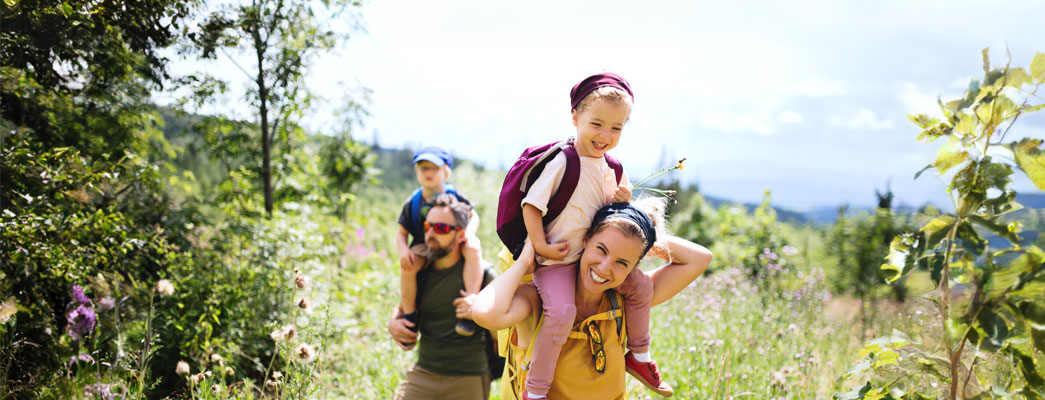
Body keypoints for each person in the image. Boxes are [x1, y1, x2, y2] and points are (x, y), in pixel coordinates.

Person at [514, 72, 667, 398]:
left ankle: (639, 356)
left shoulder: (613, 167)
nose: (605, 135)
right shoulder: (563, 161)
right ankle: (536, 390)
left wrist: (622, 200)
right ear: (575, 117)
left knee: (640, 286)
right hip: (557, 262)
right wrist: (540, 246)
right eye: (596, 124)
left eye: (616, 128)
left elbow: (609, 217)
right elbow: (531, 205)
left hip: (592, 257)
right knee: (561, 314)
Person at [473, 199, 712, 399]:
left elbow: (700, 258)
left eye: (622, 262)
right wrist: (525, 261)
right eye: (602, 249)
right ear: (584, 240)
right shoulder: (539, 300)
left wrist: (639, 233)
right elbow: (485, 313)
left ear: (633, 267)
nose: (605, 268)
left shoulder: (626, 300)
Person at [388, 194, 493, 400]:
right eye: (428, 226)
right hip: (424, 372)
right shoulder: (419, 271)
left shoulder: (483, 274)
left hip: (469, 376)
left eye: (441, 228)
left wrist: (482, 310)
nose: (431, 234)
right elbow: (400, 311)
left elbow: (505, 332)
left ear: (461, 234)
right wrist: (393, 324)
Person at [396, 147, 483, 339]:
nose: (429, 172)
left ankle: (469, 306)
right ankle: (409, 316)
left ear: (446, 173)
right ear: (417, 172)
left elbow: (473, 216)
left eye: (435, 168)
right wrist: (403, 250)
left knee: (473, 249)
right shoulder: (413, 202)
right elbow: (401, 233)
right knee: (408, 267)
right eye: (423, 168)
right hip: (423, 244)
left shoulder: (455, 195)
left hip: (454, 240)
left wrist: (469, 234)